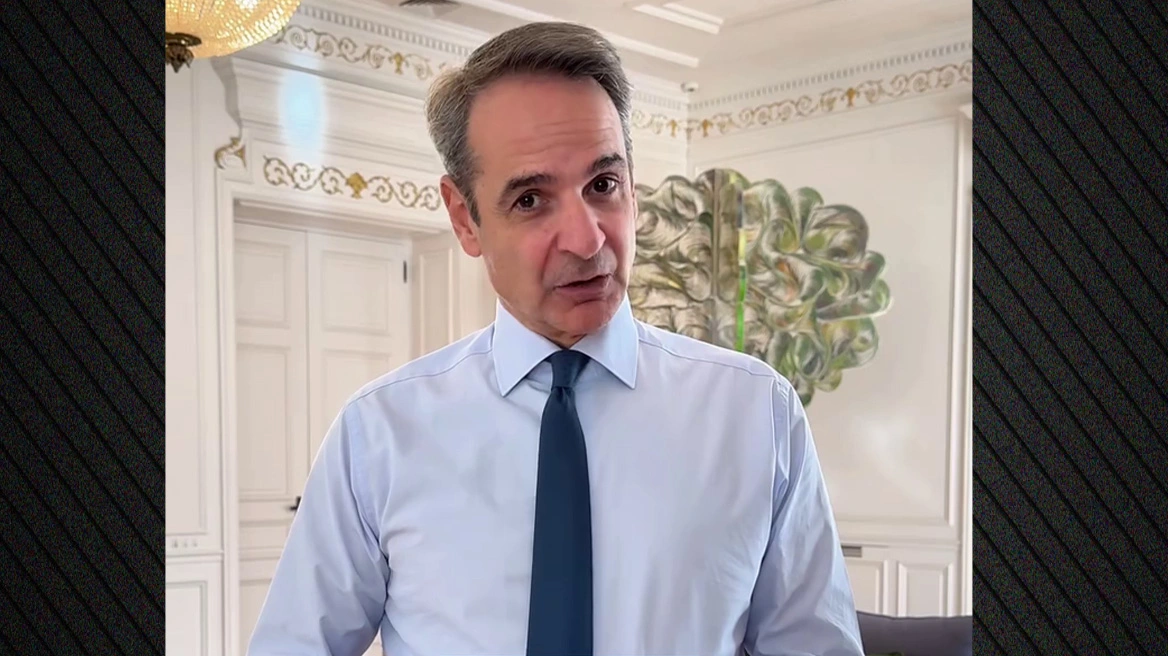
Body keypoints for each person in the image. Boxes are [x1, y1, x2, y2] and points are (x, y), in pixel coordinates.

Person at [247, 20, 864, 656]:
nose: (588, 240)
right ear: (465, 219)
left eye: (603, 186)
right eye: (530, 200)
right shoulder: (379, 433)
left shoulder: (755, 414)